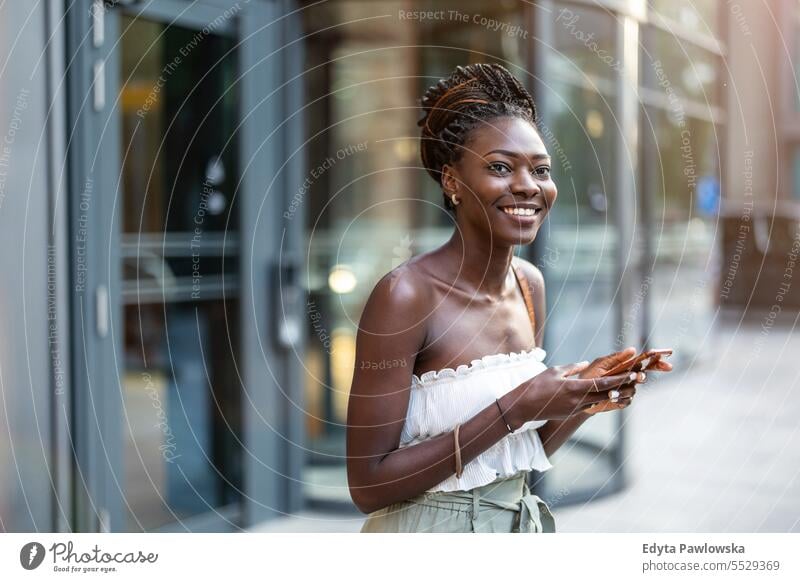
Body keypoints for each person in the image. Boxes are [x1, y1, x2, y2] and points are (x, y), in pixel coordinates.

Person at [345, 63, 673, 533]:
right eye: (500, 167)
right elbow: (368, 485)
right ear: (451, 181)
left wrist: (584, 395)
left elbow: (517, 446)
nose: (527, 185)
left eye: (540, 169)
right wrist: (516, 405)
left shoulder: (528, 284)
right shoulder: (405, 295)